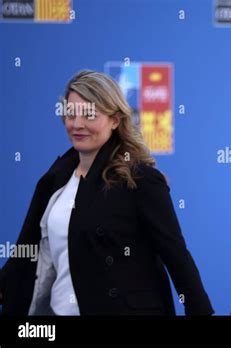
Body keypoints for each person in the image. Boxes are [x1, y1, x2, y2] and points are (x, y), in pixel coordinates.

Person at [0, 70, 213, 315]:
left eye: (89, 115)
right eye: (71, 114)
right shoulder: (54, 179)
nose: (77, 124)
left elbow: (176, 258)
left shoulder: (140, 180)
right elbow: (27, 253)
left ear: (115, 120)